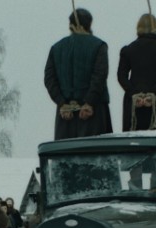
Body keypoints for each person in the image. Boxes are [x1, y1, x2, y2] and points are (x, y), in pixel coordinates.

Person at [44, 8, 113, 140]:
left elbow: (49, 79)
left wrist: (62, 103)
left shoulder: (56, 48)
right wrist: (89, 103)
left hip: (65, 117)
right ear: (89, 24)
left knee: (65, 151)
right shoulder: (99, 46)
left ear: (71, 25)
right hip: (94, 114)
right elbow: (100, 76)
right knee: (96, 151)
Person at [117, 13, 156, 131]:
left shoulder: (128, 50)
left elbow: (121, 76)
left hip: (134, 102)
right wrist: (152, 94)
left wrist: (135, 94)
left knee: (133, 138)